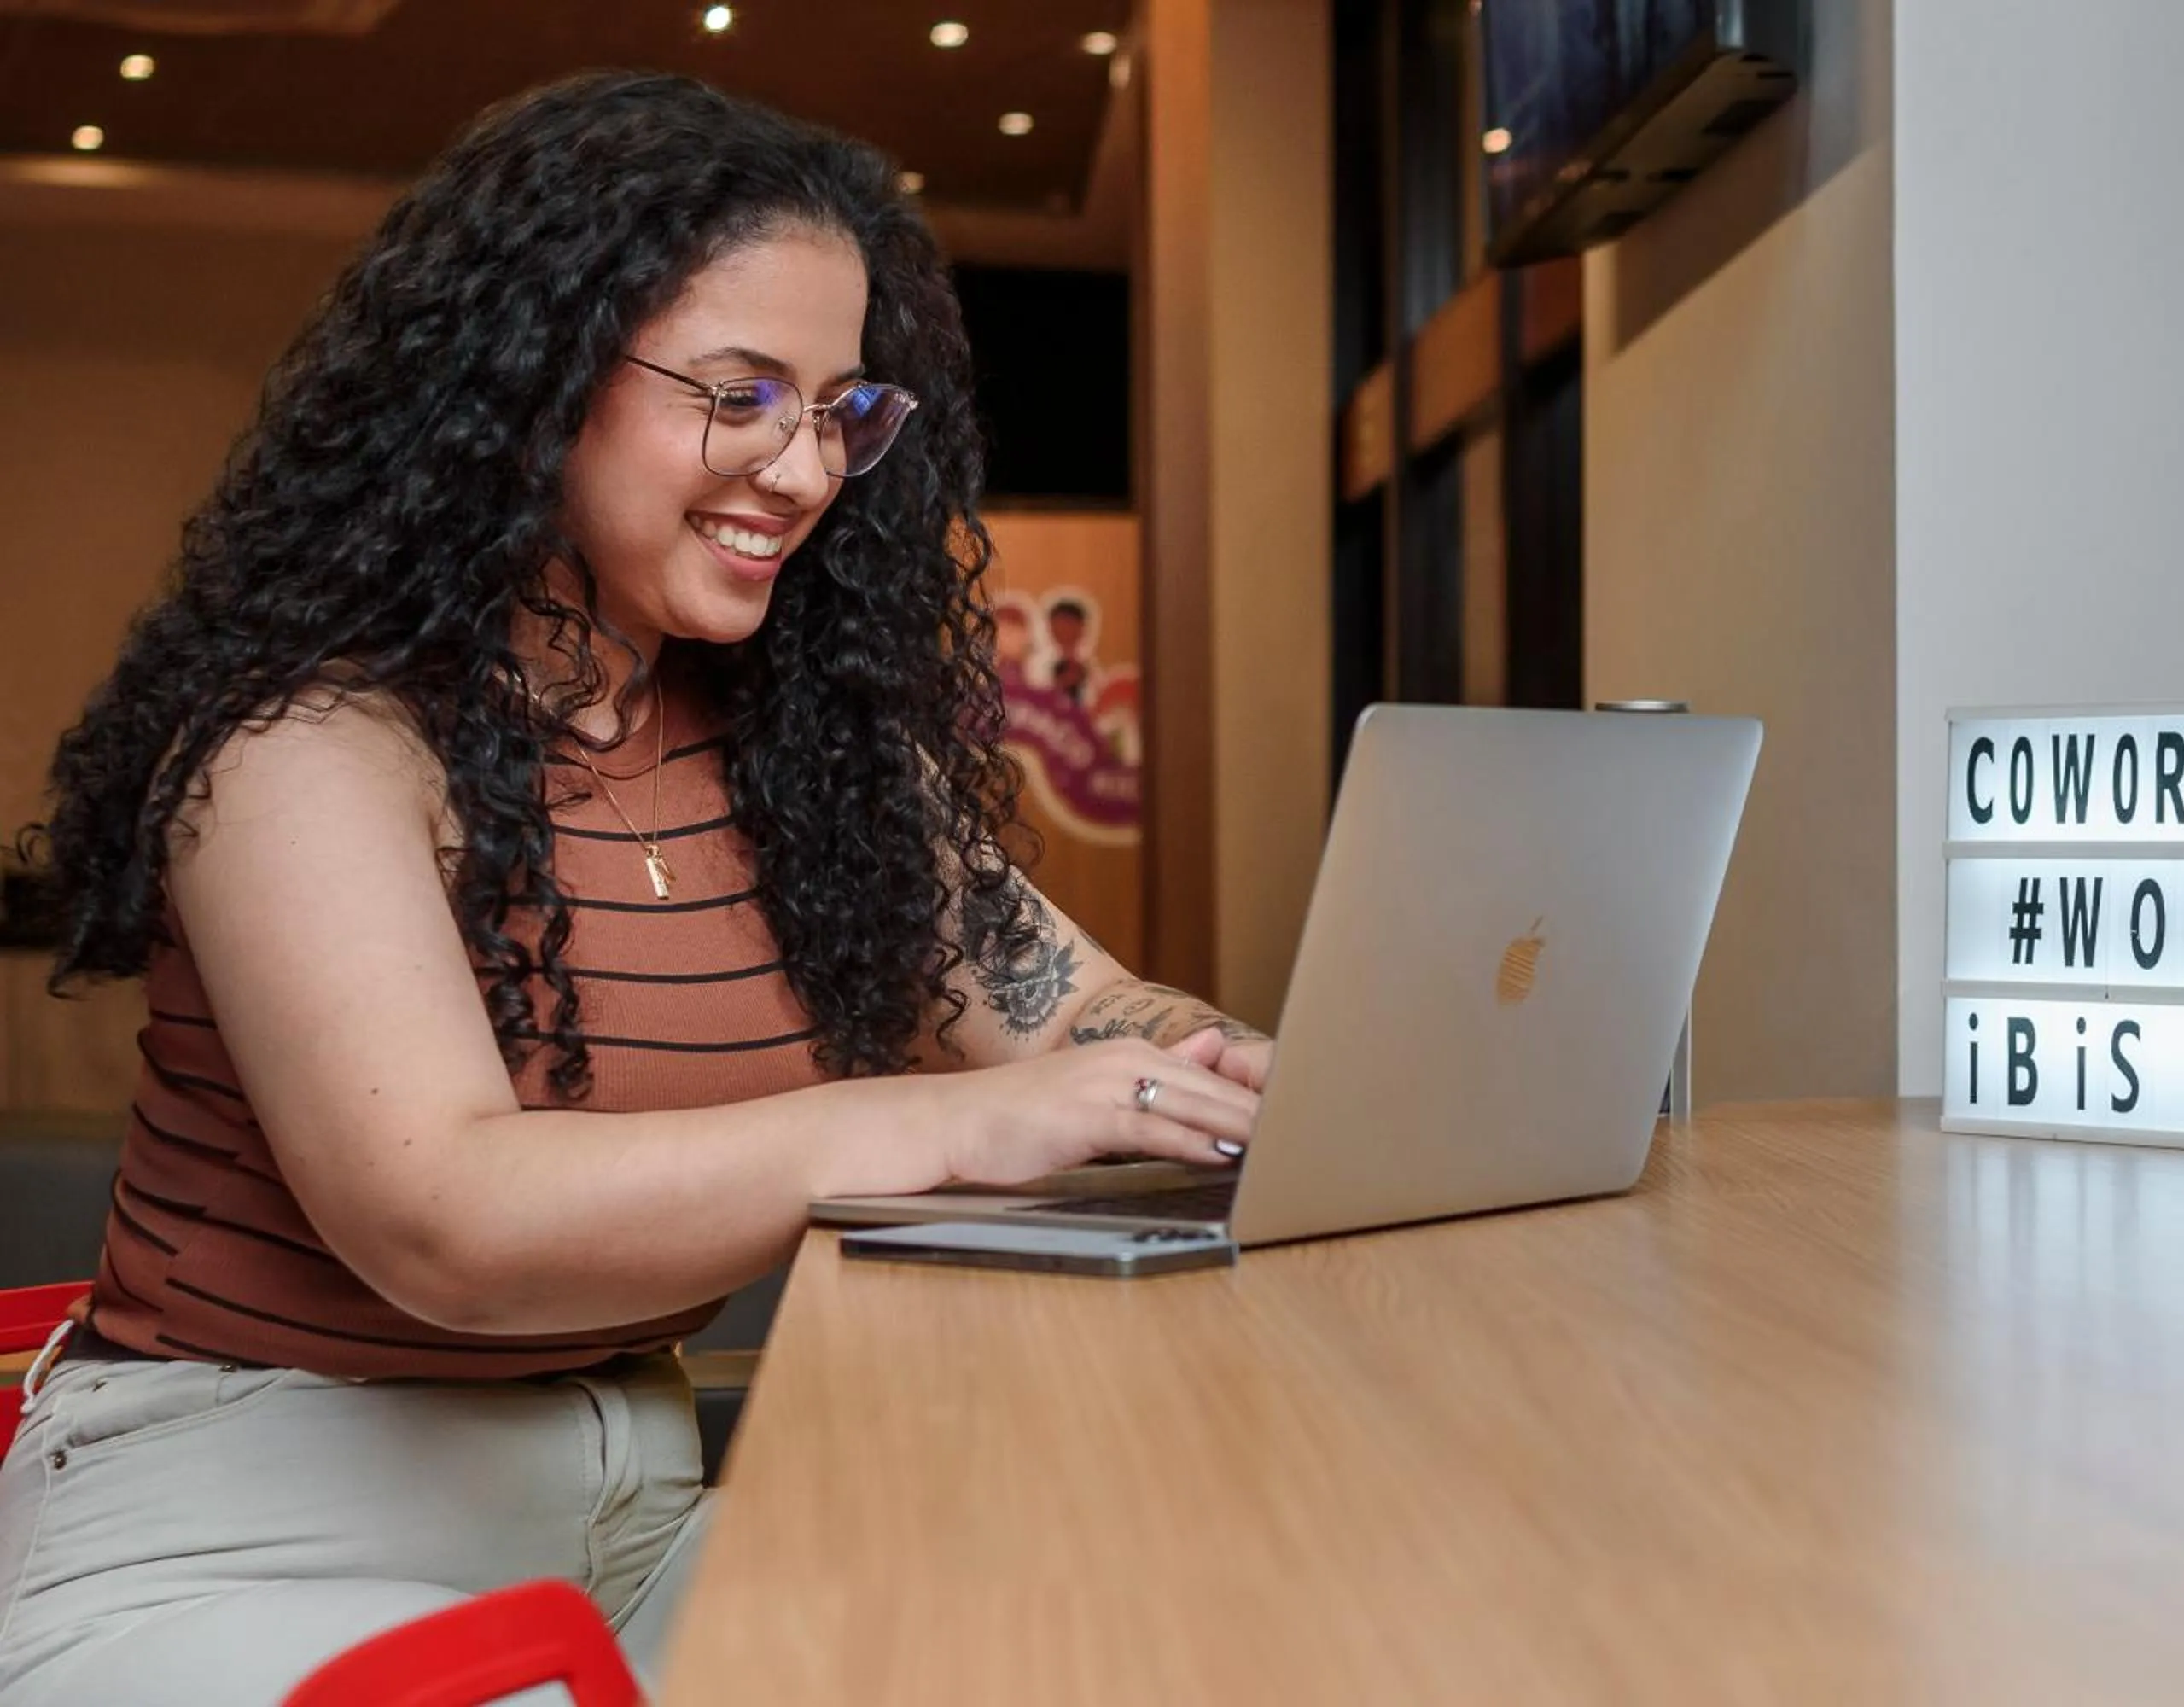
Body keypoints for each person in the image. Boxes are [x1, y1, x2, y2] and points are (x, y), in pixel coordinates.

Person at [0, 71, 1265, 1706]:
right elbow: (446, 1220)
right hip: (237, 1541)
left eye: (839, 412)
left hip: (632, 1517)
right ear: (532, 386)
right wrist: (935, 1127)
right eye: (739, 396)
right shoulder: (306, 751)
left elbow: (1074, 1011)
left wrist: (1259, 1088)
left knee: (1099, 1632)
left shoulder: (806, 759)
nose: (803, 472)